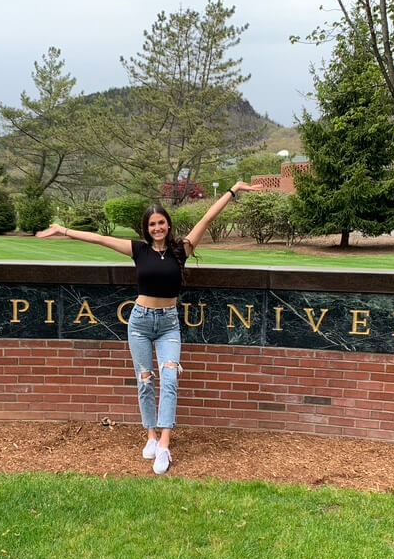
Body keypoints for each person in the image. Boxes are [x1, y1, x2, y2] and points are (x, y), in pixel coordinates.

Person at [36, 181, 264, 474]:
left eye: (162, 223)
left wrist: (235, 189)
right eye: (152, 224)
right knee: (145, 382)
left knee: (169, 381)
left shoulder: (182, 250)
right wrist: (64, 231)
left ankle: (165, 446)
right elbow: (99, 240)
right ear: (147, 228)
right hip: (140, 322)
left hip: (169, 324)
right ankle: (151, 437)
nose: (157, 227)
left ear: (168, 225)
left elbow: (207, 217)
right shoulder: (138, 251)